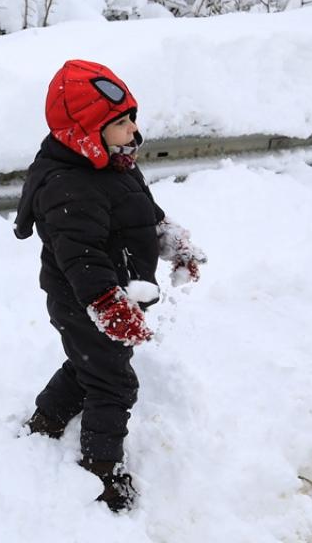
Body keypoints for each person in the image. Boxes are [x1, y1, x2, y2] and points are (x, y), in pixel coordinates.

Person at [13, 59, 207, 512]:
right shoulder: (67, 186)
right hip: (86, 301)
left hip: (112, 298)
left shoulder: (111, 163)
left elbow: (140, 211)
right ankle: (101, 472)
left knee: (93, 365)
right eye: (119, 123)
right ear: (83, 133)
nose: (133, 131)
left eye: (131, 117)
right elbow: (80, 256)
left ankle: (46, 419)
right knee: (114, 384)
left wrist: (173, 243)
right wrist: (109, 305)